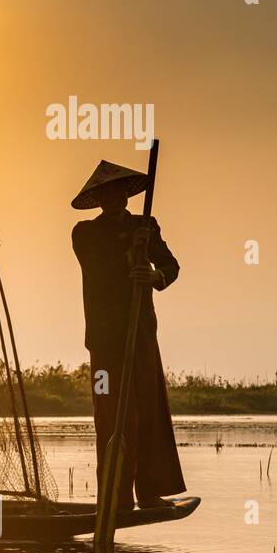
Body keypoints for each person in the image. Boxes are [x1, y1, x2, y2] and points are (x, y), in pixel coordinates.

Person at [71, 160, 186, 509]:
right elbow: (100, 271)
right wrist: (130, 251)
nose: (113, 197)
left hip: (141, 335)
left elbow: (170, 266)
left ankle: (150, 492)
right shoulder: (85, 233)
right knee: (112, 415)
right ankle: (115, 498)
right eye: (106, 192)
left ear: (126, 194)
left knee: (148, 410)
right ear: (98, 197)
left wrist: (153, 276)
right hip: (105, 342)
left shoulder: (145, 225)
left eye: (118, 191)